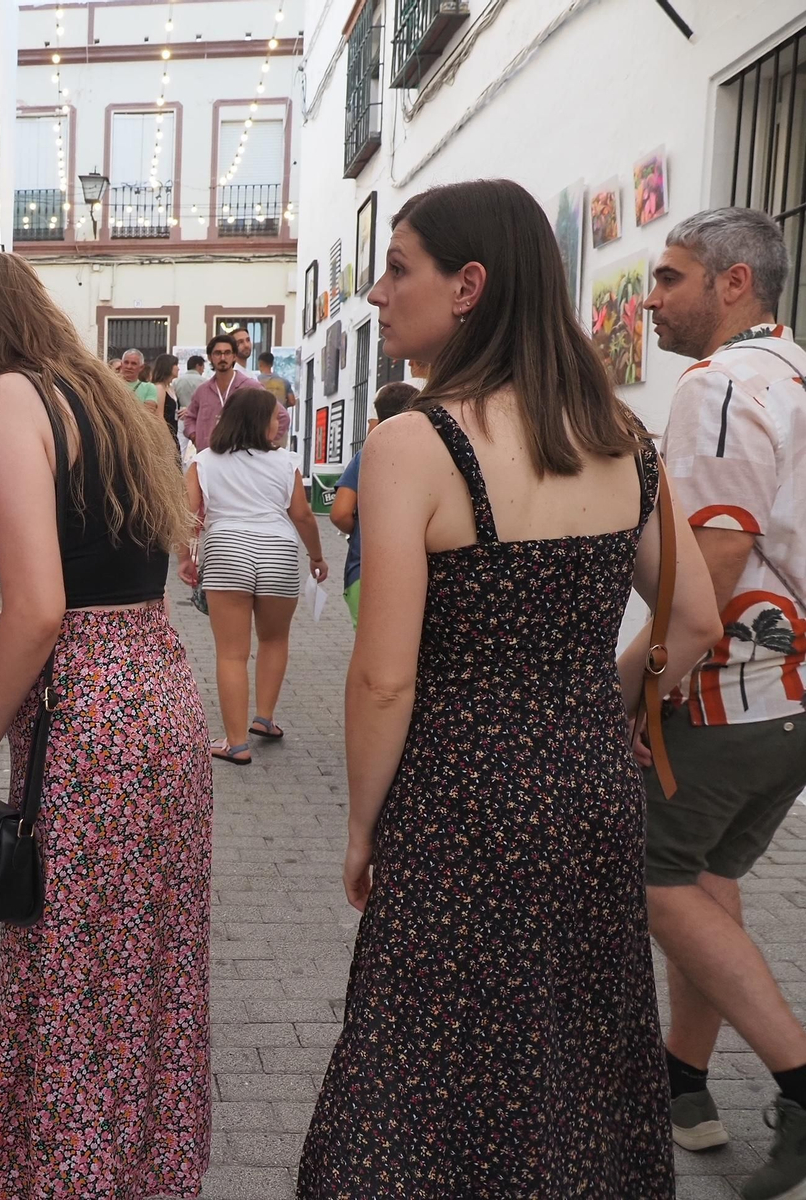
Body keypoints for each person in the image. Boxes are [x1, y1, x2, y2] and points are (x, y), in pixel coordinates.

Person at [297, 179, 721, 1196]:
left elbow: (384, 676)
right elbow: (695, 622)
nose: (377, 293)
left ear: (468, 285)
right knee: (574, 1057)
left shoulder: (415, 441)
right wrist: (597, 708)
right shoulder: (617, 436)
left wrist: (361, 827)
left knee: (419, 1069)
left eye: (397, 267)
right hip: (588, 793)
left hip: (457, 805)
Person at [0, 250, 211, 1199]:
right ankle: (136, 1173)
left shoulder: (5, 397)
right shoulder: (100, 399)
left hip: (92, 732)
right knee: (142, 968)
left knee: (77, 977)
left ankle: (68, 1178)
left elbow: (45, 611)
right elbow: (91, 593)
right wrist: (7, 630)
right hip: (155, 699)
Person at [633, 206, 806, 1197]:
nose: (651, 300)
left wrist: (641, 676)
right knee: (702, 876)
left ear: (732, 281)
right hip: (784, 705)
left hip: (728, 688)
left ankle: (796, 1075)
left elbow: (716, 557)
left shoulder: (722, 383)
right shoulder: (791, 371)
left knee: (647, 871)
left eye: (669, 277)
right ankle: (682, 1084)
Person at [180, 388, 327, 762]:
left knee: (231, 654)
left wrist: (186, 558)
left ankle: (235, 743)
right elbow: (304, 516)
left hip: (227, 550)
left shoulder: (205, 462)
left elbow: (189, 515)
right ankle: (264, 718)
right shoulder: (285, 463)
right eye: (274, 416)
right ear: (257, 420)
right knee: (274, 640)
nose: (279, 421)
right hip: (277, 550)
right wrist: (317, 557)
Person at [330, 381, 421, 624]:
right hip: (415, 572)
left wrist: (361, 529)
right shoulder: (429, 452)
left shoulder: (367, 454)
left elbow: (340, 513)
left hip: (364, 570)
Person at [181, 333, 256, 453]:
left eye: (227, 353)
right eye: (217, 353)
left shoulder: (250, 387)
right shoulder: (202, 391)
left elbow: (280, 415)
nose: (222, 358)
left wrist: (261, 446)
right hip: (208, 458)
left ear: (234, 356)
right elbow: (190, 418)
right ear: (210, 357)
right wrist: (195, 437)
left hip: (240, 459)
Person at [152, 352, 182, 441]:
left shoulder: (170, 388)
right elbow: (159, 416)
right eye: (175, 365)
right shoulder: (159, 388)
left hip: (174, 431)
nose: (178, 368)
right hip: (165, 436)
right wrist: (168, 439)